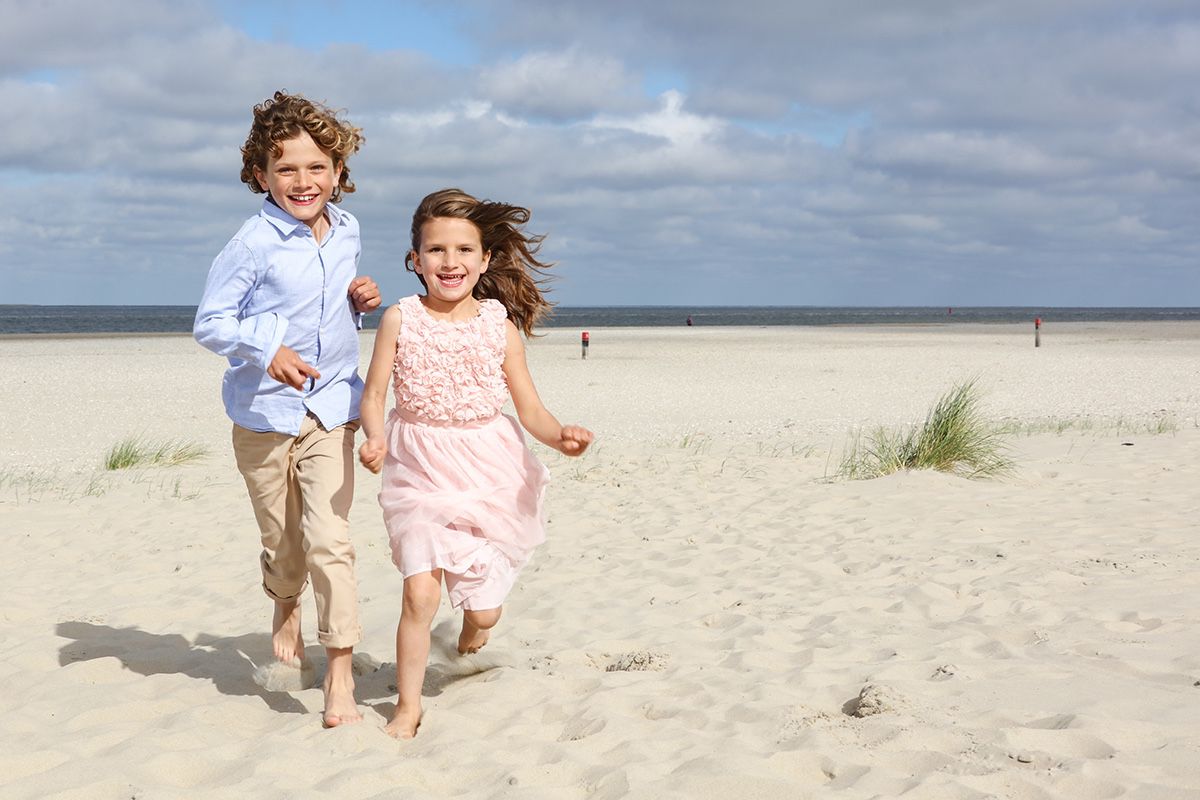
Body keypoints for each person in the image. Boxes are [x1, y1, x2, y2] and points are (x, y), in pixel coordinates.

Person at [358, 188, 594, 739]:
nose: (450, 261)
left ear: (484, 260)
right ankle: (408, 706)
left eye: (464, 250)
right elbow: (374, 395)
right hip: (417, 465)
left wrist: (560, 436)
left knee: (484, 613)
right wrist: (374, 438)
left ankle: (471, 634)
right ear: (415, 259)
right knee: (420, 592)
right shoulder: (400, 318)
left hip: (489, 468)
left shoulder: (499, 325)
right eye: (436, 250)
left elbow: (529, 407)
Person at [193, 91, 380, 728]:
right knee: (287, 546)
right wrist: (267, 347)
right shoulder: (252, 244)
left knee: (332, 540)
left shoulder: (349, 229)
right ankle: (284, 602)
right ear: (260, 176)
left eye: (316, 167)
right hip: (263, 416)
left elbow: (329, 309)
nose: (303, 181)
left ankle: (340, 674)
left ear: (337, 170)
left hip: (331, 407)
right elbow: (211, 322)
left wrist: (360, 298)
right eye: (286, 169)